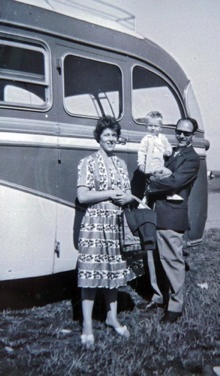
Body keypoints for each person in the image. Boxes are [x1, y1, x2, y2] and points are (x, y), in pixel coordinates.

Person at [77, 115, 142, 347]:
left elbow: (126, 194)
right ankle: (86, 325)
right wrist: (109, 194)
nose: (111, 139)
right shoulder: (88, 163)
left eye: (114, 135)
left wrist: (127, 197)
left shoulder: (121, 164)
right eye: (107, 135)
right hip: (95, 223)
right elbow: (83, 196)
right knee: (91, 273)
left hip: (115, 223)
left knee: (114, 274)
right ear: (99, 137)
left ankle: (111, 318)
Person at [145, 117, 200, 323]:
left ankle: (175, 307)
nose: (182, 136)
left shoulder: (192, 159)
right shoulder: (170, 153)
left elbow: (175, 181)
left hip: (172, 215)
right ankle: (159, 297)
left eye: (186, 133)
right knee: (154, 260)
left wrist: (152, 181)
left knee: (172, 261)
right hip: (158, 212)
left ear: (193, 136)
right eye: (179, 132)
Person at [138, 111, 183, 202]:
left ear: (160, 128)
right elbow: (141, 152)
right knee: (169, 174)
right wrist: (141, 163)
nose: (153, 128)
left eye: (156, 126)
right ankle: (170, 193)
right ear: (146, 126)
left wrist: (168, 151)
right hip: (150, 165)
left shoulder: (162, 138)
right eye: (150, 125)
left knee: (156, 179)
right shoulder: (146, 139)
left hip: (160, 164)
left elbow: (168, 146)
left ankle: (148, 194)